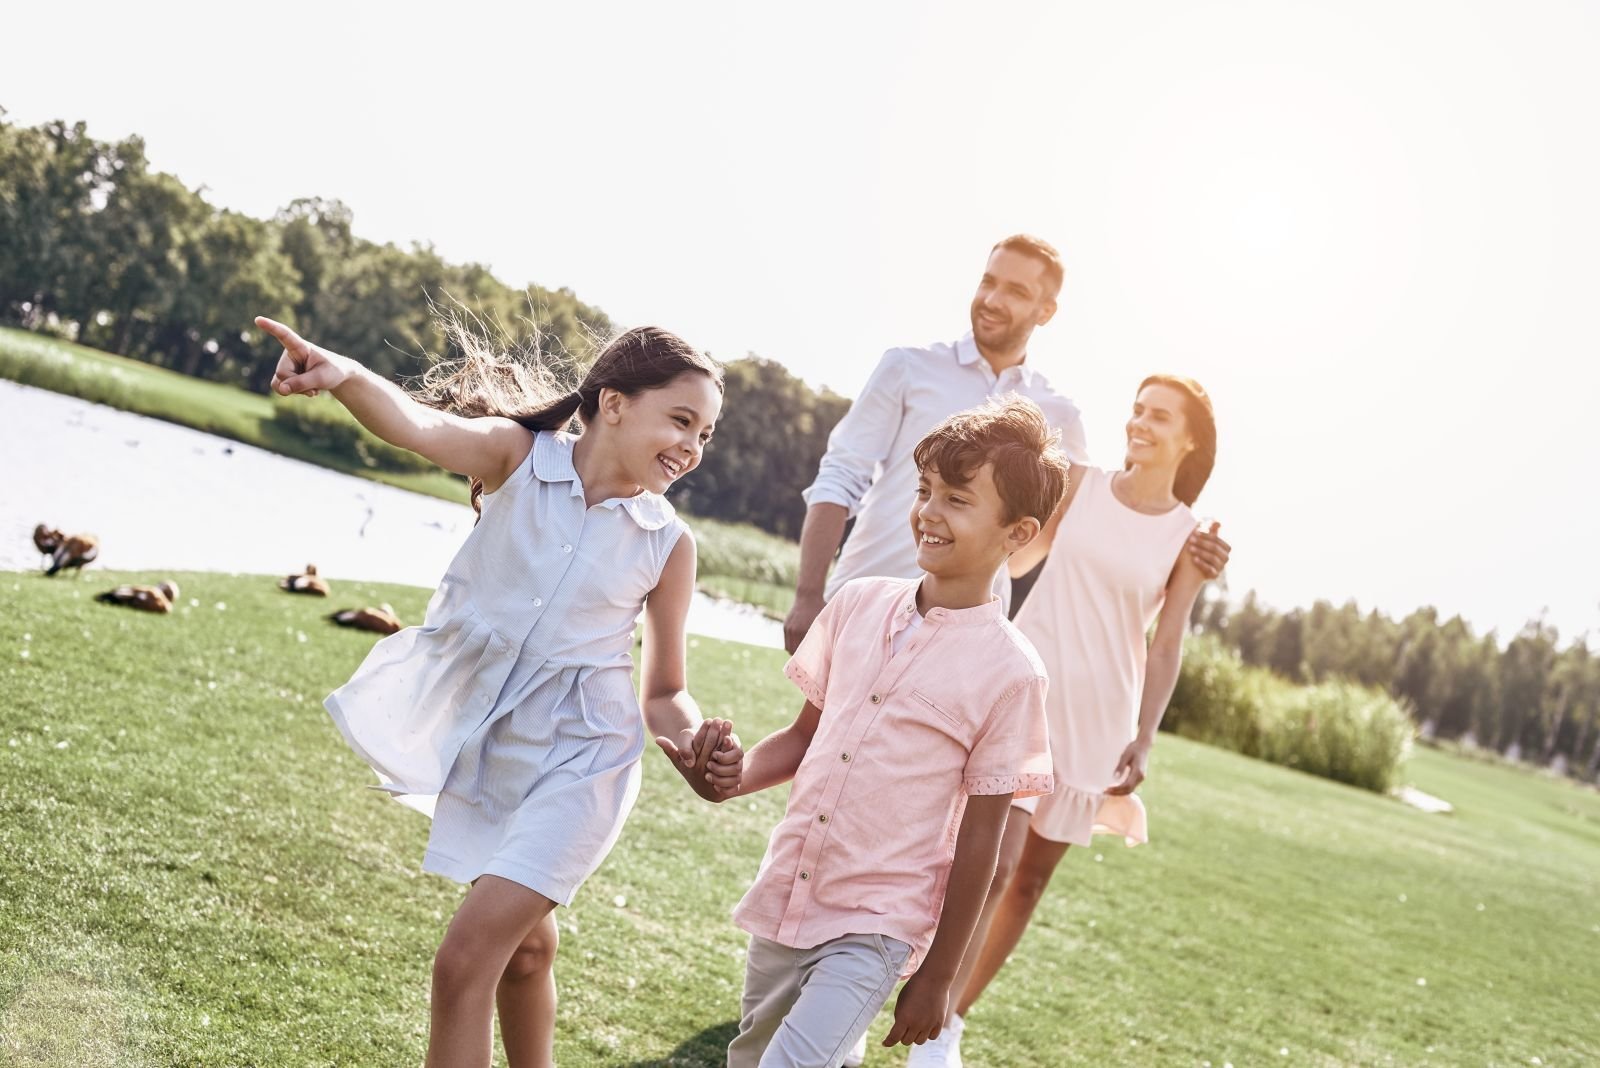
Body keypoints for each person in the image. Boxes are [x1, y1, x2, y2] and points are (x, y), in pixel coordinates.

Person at [254, 315, 743, 1068]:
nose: (692, 447)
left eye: (704, 434)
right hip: (494, 749)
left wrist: (693, 742)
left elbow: (665, 690)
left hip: (584, 764)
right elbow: (419, 426)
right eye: (681, 421)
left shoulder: (668, 544)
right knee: (524, 953)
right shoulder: (516, 457)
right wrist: (344, 374)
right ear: (614, 404)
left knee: (465, 961)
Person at [726, 398, 1064, 1068]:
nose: (929, 512)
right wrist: (730, 775)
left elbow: (983, 842)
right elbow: (801, 738)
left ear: (1018, 533)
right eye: (925, 490)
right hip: (792, 889)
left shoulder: (1013, 673)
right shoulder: (856, 605)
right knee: (751, 1056)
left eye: (957, 499)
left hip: (881, 924)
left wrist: (939, 976)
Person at [907, 375, 1220, 1068]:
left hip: (1100, 719)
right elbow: (1014, 558)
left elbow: (1167, 643)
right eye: (1137, 410)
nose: (1140, 423)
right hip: (1026, 692)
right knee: (991, 864)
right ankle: (911, 990)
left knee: (1027, 882)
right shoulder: (1080, 483)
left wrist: (1145, 737)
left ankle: (950, 1022)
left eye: (1159, 416)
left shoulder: (1189, 538)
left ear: (1189, 440)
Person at [784, 235, 1228, 655]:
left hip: (966, 641)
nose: (993, 300)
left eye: (1016, 291)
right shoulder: (907, 367)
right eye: (988, 282)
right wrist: (807, 594)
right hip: (864, 608)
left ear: (1046, 310)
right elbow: (841, 475)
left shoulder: (1061, 416)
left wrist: (1188, 534)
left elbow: (1097, 507)